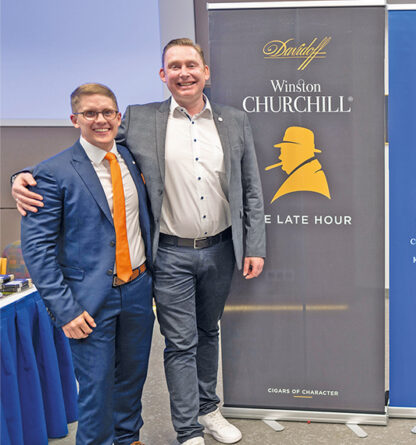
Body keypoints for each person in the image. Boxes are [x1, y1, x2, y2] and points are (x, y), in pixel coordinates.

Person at [13, 38, 267, 445]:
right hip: (170, 254)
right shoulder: (141, 119)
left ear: (205, 72)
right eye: (174, 66)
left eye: (191, 65)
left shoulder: (234, 120)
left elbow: (250, 186)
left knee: (205, 333)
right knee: (178, 343)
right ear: (163, 75)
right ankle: (188, 430)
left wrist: (253, 245)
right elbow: (86, 151)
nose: (184, 73)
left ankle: (206, 410)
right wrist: (23, 177)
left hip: (219, 249)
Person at [21, 83, 154, 445]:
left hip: (138, 290)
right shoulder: (51, 173)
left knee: (132, 380)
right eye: (90, 113)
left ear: (118, 117)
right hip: (88, 301)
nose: (100, 120)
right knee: (96, 390)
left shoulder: (131, 159)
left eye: (107, 112)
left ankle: (128, 439)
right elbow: (37, 249)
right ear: (74, 119)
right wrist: (65, 311)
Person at [269, 126, 330, 203]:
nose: (280, 157)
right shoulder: (312, 173)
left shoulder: (308, 180)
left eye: (284, 151)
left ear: (297, 152)